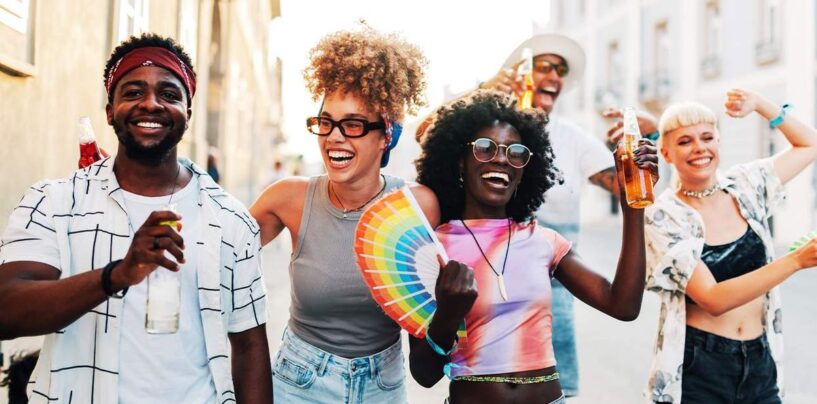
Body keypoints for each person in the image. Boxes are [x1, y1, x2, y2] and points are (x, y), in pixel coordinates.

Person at [0, 33, 271, 403]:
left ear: (187, 114)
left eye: (169, 94)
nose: (151, 104)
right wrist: (116, 275)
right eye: (132, 92)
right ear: (110, 110)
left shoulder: (230, 218)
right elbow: (6, 310)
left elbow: (250, 348)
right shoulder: (54, 201)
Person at [409, 90, 659, 403]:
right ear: (460, 161)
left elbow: (623, 306)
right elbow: (424, 374)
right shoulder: (433, 248)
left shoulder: (544, 240)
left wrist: (632, 205)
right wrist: (447, 314)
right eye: (485, 148)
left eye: (516, 152)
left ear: (526, 169)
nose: (501, 158)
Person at [249, 25, 438, 403]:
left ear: (385, 135)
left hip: (383, 385)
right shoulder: (289, 197)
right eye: (326, 122)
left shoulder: (419, 205)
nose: (334, 136)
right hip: (299, 383)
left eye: (353, 124)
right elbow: (215, 249)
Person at [478, 33, 649, 396]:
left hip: (556, 286)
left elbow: (627, 187)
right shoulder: (488, 132)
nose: (555, 76)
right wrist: (482, 94)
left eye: (561, 71)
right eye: (545, 67)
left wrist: (651, 141)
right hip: (489, 286)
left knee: (552, 389)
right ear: (522, 74)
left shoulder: (573, 138)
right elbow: (432, 137)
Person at [640, 90, 817, 403]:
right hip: (702, 365)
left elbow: (809, 144)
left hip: (761, 357)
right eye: (685, 141)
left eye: (707, 137)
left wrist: (761, 105)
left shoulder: (745, 184)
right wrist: (795, 261)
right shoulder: (663, 216)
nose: (699, 148)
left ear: (718, 141)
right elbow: (712, 299)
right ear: (665, 154)